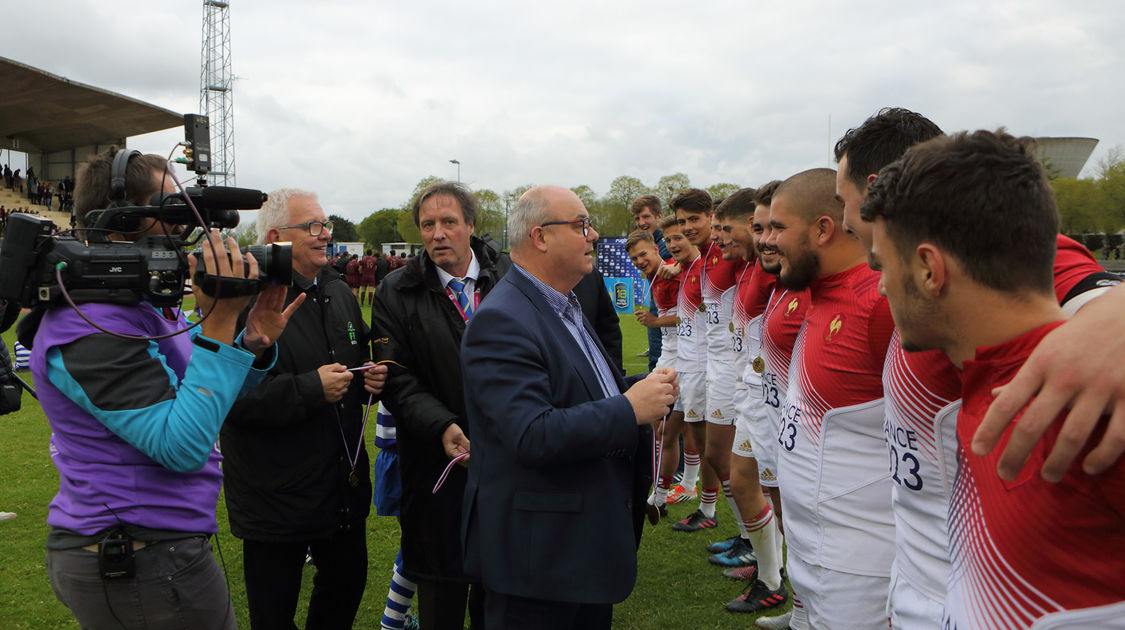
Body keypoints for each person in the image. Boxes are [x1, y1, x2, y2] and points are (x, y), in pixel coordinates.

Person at [835, 106, 1118, 628]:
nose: (878, 286)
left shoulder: (1075, 410)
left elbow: (1090, 291)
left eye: (841, 199)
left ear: (927, 268)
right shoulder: (981, 385)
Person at [26, 147, 306, 629]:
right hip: (137, 554)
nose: (184, 226)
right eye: (171, 211)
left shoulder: (143, 305)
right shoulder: (88, 324)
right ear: (118, 216)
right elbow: (181, 446)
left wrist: (249, 342)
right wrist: (218, 319)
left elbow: (203, 406)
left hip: (160, 546)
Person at [460, 185, 676, 630]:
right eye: (581, 225)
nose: (594, 234)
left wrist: (643, 391)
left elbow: (579, 389)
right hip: (540, 564)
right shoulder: (503, 320)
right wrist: (630, 409)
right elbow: (531, 434)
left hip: (578, 552)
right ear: (540, 237)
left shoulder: (566, 304)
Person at [221, 188, 388, 630]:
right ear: (276, 235)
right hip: (274, 501)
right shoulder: (244, 299)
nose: (325, 234)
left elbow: (357, 360)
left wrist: (372, 380)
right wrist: (310, 389)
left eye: (326, 224)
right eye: (312, 226)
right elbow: (229, 398)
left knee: (343, 595)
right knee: (273, 616)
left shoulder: (338, 290)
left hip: (341, 494)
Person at [370, 181, 510, 630]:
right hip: (435, 466)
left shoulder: (510, 277)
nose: (437, 234)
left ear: (471, 225)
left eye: (449, 222)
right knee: (440, 590)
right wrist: (443, 426)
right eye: (428, 225)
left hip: (509, 460)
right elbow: (396, 376)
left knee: (498, 592)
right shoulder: (396, 289)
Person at [764, 168, 895, 629]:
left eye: (778, 228)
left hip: (863, 569)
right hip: (811, 552)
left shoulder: (880, 303)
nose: (768, 240)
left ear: (822, 229)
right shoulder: (815, 294)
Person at [712, 189, 789, 614]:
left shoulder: (775, 267)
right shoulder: (743, 268)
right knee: (743, 482)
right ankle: (771, 574)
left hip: (769, 394)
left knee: (781, 500)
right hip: (750, 388)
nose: (762, 238)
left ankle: (784, 587)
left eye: (766, 228)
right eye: (757, 229)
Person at [669, 189, 738, 533]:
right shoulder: (701, 263)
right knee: (705, 445)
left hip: (722, 368)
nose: (686, 229)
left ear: (712, 216)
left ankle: (741, 534)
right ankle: (710, 511)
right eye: (682, 222)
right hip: (697, 367)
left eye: (693, 220)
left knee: (727, 457)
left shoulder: (726, 255)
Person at [632, 194, 671, 370]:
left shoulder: (666, 247)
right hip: (660, 320)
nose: (641, 222)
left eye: (646, 216)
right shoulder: (652, 243)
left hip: (668, 326)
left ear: (659, 216)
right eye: (637, 218)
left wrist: (655, 322)